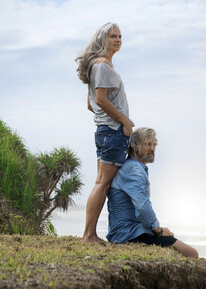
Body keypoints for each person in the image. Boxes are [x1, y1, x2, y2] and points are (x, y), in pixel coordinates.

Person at [75, 22, 134, 243]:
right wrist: (123, 120)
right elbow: (99, 100)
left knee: (102, 182)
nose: (118, 40)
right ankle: (89, 235)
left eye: (120, 36)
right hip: (112, 131)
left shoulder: (101, 66)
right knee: (102, 183)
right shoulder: (102, 67)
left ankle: (91, 233)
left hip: (106, 131)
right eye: (112, 36)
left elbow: (91, 104)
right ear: (102, 39)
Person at [106, 127, 198, 258]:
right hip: (128, 234)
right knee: (191, 253)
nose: (152, 149)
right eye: (147, 144)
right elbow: (142, 206)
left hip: (129, 231)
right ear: (134, 146)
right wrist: (158, 230)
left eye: (154, 144)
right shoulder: (134, 170)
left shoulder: (133, 167)